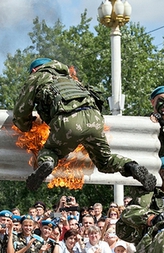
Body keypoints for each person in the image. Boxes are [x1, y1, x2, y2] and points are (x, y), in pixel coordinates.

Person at [13, 58, 155, 192]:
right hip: (95, 119)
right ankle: (132, 166)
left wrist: (26, 126)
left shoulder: (37, 76)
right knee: (105, 161)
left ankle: (48, 162)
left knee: (51, 151)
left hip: (68, 121)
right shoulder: (72, 80)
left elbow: (21, 112)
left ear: (34, 70)